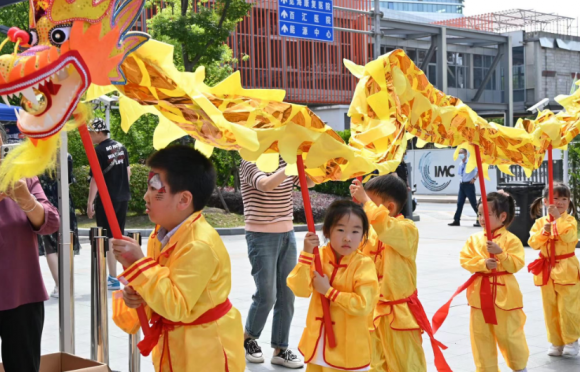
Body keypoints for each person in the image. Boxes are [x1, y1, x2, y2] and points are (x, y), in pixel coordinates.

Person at [111, 145, 245, 371]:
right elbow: (159, 291)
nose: (146, 196)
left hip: (205, 352)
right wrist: (141, 295)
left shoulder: (198, 244)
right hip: (175, 346)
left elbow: (176, 305)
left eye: (155, 188)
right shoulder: (160, 233)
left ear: (183, 199)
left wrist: (140, 265)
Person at [351, 175, 451, 372]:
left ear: (388, 208)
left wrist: (365, 201)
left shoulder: (407, 230)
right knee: (373, 365)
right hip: (372, 313)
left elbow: (387, 229)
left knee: (406, 366)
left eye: (370, 203)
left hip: (400, 314)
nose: (366, 209)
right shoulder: (369, 232)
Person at [433, 192, 529, 372]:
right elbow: (465, 259)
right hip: (479, 296)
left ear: (502, 217)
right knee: (481, 338)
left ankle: (519, 367)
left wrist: (500, 253)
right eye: (479, 214)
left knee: (509, 335)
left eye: (487, 214)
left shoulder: (511, 240)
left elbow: (516, 264)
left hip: (505, 297)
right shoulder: (474, 239)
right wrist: (482, 264)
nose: (482, 218)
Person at [286, 200, 379, 371]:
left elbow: (363, 305)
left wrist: (329, 291)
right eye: (341, 229)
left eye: (355, 231)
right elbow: (299, 289)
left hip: (348, 347)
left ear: (363, 235)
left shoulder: (363, 265)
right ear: (328, 231)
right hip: (318, 341)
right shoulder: (318, 256)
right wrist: (306, 254)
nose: (347, 237)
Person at [239, 157, 313, 368]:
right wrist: (292, 165)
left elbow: (308, 183)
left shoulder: (286, 158)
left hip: (286, 233)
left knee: (287, 293)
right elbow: (265, 184)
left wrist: (311, 161)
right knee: (267, 294)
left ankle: (280, 349)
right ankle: (249, 338)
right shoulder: (249, 159)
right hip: (260, 235)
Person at [0, 137, 60, 372]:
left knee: (24, 366)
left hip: (22, 293)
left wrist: (25, 199)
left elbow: (51, 222)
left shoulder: (21, 177)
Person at [528, 184, 580, 357]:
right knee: (550, 307)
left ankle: (571, 340)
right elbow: (533, 243)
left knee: (568, 307)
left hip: (566, 269)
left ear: (569, 201)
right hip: (547, 270)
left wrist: (558, 220)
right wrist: (544, 232)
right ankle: (556, 341)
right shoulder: (540, 222)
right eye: (555, 198)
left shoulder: (570, 221)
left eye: (564, 199)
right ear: (545, 202)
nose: (559, 202)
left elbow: (570, 237)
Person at [87, 118, 131, 291]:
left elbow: (95, 179)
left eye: (90, 133)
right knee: (119, 236)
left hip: (107, 200)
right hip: (122, 197)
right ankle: (124, 273)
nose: (89, 137)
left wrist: (90, 202)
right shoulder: (121, 147)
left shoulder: (98, 151)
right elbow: (128, 172)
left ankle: (113, 277)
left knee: (109, 238)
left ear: (98, 132)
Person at [37, 153, 81, 298]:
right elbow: (68, 181)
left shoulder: (37, 157)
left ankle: (59, 286)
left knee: (50, 246)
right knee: (67, 242)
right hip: (64, 201)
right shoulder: (66, 156)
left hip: (44, 202)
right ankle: (68, 285)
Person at [449, 148, 481, 227]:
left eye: (462, 153)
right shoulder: (460, 164)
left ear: (466, 153)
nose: (460, 154)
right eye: (459, 153)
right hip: (462, 185)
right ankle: (456, 220)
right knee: (459, 203)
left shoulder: (471, 163)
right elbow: (461, 174)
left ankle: (480, 219)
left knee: (473, 203)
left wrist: (474, 178)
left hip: (469, 185)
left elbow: (479, 170)